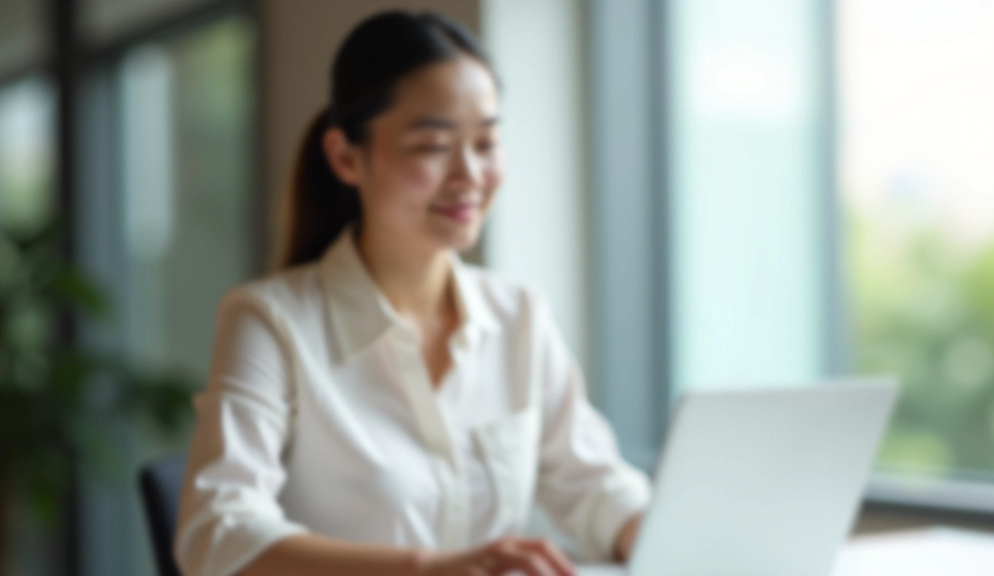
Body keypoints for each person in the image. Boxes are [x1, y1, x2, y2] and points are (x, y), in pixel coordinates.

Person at [174, 10, 650, 576]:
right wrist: (426, 568)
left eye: (487, 142)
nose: (470, 174)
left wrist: (661, 535)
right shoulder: (270, 322)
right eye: (433, 146)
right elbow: (217, 533)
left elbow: (593, 487)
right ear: (346, 157)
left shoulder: (518, 314)